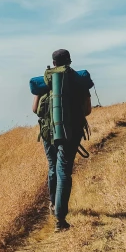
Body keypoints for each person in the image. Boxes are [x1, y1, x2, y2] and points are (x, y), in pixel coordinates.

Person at [32, 49, 92, 232]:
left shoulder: (45, 81)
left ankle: (52, 205)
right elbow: (88, 110)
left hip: (48, 133)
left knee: (52, 168)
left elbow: (35, 109)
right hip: (70, 134)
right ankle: (60, 219)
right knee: (64, 172)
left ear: (53, 62)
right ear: (70, 61)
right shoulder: (79, 81)